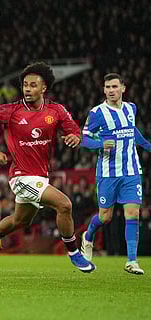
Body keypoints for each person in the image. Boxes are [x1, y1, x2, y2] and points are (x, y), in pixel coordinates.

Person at [0, 62, 95, 273]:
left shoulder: (56, 110)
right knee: (64, 205)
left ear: (44, 88)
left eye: (32, 85)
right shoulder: (11, 111)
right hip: (20, 177)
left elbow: (74, 129)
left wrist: (75, 137)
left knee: (20, 220)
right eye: (25, 85)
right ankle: (74, 253)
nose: (27, 89)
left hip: (40, 176)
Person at [80, 73, 151, 275]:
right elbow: (84, 140)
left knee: (132, 214)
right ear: (104, 90)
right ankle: (88, 235)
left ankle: (131, 261)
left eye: (114, 86)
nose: (111, 90)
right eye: (107, 87)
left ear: (123, 88)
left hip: (131, 171)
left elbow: (132, 131)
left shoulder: (131, 108)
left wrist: (148, 146)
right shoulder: (96, 113)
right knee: (105, 217)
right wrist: (100, 144)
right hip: (108, 173)